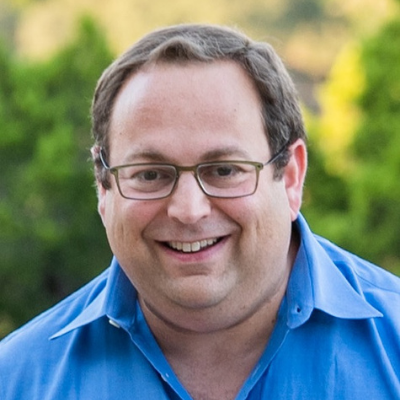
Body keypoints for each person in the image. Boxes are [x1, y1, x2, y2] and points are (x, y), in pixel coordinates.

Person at [1, 23, 399, 400]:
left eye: (224, 170)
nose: (188, 211)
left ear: (291, 176)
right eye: (151, 174)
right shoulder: (18, 379)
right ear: (104, 189)